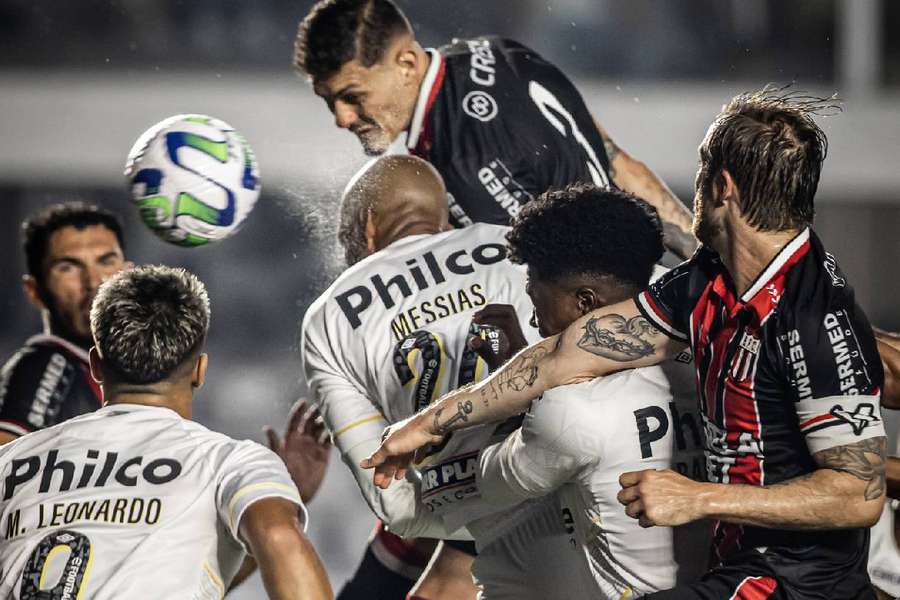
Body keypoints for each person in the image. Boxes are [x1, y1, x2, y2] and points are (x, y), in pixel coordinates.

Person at [364, 88, 888, 599]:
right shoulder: (709, 280)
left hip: (797, 582)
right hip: (740, 566)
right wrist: (429, 422)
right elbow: (565, 353)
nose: (694, 187)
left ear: (723, 186)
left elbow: (858, 495)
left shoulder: (816, 318)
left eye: (703, 169)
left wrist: (699, 498)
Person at [0, 265, 333, 600]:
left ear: (97, 366)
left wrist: (289, 497)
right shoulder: (227, 462)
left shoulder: (10, 461)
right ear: (200, 371)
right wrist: (277, 503)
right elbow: (278, 536)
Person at [301, 154, 540, 599]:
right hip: (582, 488)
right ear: (444, 220)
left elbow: (394, 503)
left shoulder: (329, 318)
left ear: (369, 226)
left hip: (479, 532)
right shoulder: (519, 246)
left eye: (345, 240)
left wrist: (458, 507)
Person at [293, 0, 697, 260]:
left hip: (617, 345)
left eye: (352, 96)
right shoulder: (492, 52)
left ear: (407, 64)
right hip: (656, 285)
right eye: (329, 101)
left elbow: (537, 293)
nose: (342, 118)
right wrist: (707, 260)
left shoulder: (463, 157)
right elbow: (618, 163)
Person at [469, 184, 709, 598]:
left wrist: (508, 374)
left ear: (585, 303)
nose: (534, 320)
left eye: (537, 299)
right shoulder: (720, 353)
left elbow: (488, 487)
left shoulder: (572, 408)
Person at [0, 202, 129, 444]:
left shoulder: (121, 372)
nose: (93, 281)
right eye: (69, 267)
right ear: (34, 291)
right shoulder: (43, 367)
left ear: (129, 273)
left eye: (106, 261)